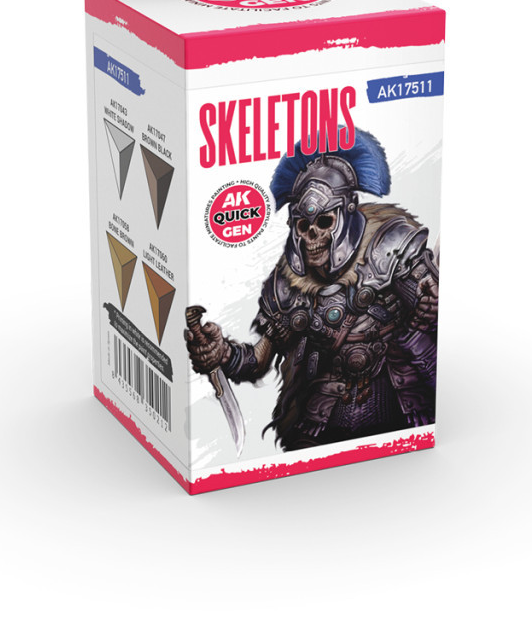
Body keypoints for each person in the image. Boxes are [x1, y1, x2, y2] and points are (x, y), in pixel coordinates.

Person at [185, 130, 438, 450]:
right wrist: (222, 353)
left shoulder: (390, 247)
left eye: (324, 222)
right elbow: (258, 360)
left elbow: (433, 312)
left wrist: (429, 307)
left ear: (348, 211)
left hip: (401, 402)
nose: (311, 237)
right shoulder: (287, 284)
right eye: (303, 226)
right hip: (322, 418)